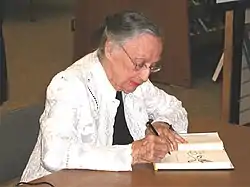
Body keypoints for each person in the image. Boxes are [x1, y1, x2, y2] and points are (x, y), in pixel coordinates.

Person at [20, 10, 188, 182]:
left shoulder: (136, 82)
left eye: (152, 66)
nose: (146, 76)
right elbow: (54, 156)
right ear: (110, 49)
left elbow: (174, 108)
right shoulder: (68, 85)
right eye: (139, 64)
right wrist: (132, 153)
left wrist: (160, 124)